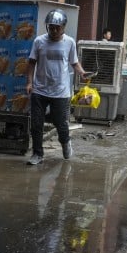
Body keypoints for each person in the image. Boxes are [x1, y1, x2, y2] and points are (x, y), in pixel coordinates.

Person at [25, 9, 88, 165]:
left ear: (63, 27)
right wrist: (29, 82)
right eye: (51, 27)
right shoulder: (39, 41)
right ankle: (37, 154)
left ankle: (65, 142)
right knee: (36, 124)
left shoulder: (70, 42)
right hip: (40, 89)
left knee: (60, 123)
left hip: (60, 91)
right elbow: (31, 63)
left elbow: (74, 63)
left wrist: (82, 73)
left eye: (57, 28)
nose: (53, 30)